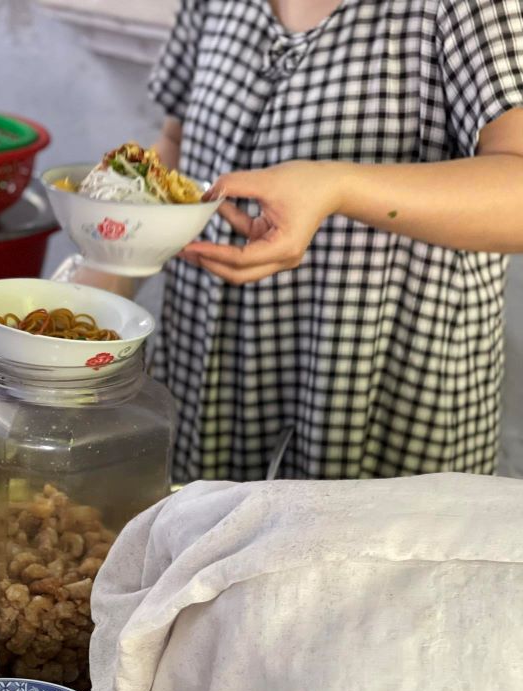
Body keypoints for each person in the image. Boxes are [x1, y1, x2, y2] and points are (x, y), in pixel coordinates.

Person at [77, 0, 523, 482]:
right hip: (204, 386)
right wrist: (88, 312)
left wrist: (339, 187)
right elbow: (177, 149)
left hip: (377, 398)